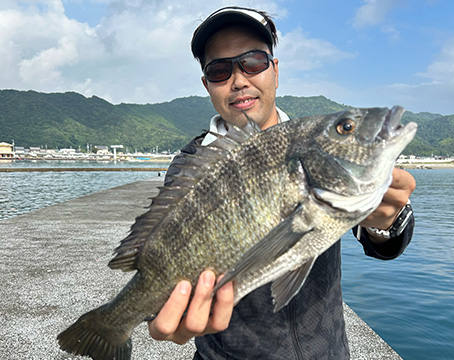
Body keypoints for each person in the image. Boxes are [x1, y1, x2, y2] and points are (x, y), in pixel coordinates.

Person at [148, 6, 416, 359]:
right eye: (219, 70)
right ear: (206, 84)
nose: (239, 79)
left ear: (275, 70)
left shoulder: (315, 142)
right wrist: (162, 312)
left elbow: (386, 244)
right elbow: (162, 260)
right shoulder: (191, 165)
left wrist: (385, 224)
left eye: (253, 62)